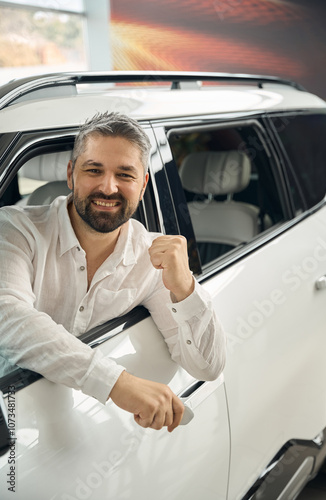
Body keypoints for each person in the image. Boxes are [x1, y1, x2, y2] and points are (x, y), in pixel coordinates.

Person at [0, 112, 226, 432]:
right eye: (94, 170)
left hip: (90, 429)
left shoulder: (151, 258)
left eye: (125, 175)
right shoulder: (13, 229)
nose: (108, 188)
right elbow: (7, 317)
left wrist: (185, 287)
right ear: (71, 174)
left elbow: (207, 366)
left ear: (143, 184)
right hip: (14, 421)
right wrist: (116, 383)